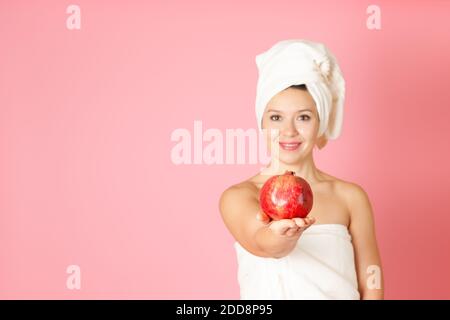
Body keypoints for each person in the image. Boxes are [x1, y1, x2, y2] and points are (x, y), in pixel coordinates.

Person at [219, 39, 384, 299]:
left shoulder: (351, 197)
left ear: (320, 122)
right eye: (276, 117)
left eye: (304, 117)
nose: (289, 131)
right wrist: (282, 236)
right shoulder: (240, 196)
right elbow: (263, 243)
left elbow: (371, 279)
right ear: (261, 123)